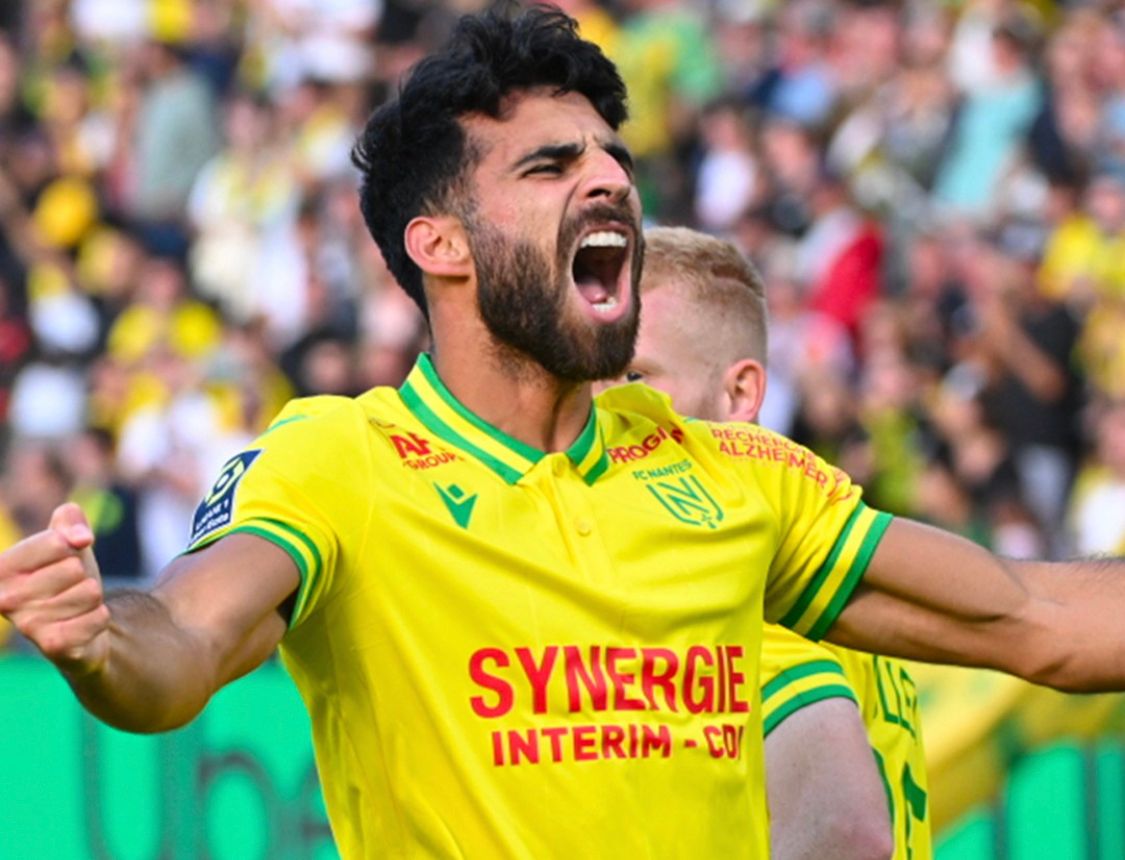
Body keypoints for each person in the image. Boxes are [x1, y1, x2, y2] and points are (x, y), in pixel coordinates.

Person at [2, 8, 1125, 858]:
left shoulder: (734, 477)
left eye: (612, 159)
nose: (609, 181)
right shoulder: (338, 460)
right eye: (552, 165)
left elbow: (1036, 619)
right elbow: (184, 641)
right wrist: (101, 636)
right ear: (440, 245)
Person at [598, 225, 928, 860]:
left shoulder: (729, 577)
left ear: (740, 392)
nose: (601, 406)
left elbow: (848, 837)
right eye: (587, 375)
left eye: (634, 375)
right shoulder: (823, 558)